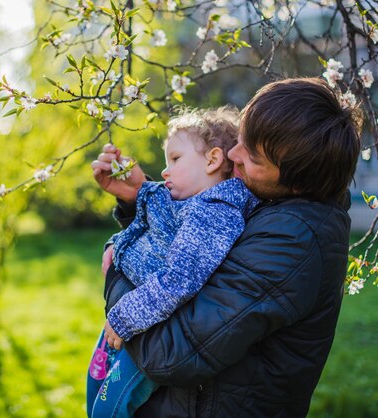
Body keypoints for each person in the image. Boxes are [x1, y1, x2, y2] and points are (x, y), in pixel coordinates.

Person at [91, 77, 362, 417]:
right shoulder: (266, 199)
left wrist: (117, 273)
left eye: (253, 156)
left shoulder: (292, 241)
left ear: (294, 184)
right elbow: (192, 238)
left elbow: (171, 354)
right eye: (242, 138)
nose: (232, 154)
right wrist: (139, 197)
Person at [87, 107, 259, 418]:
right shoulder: (186, 200)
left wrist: (123, 316)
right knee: (95, 389)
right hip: (127, 318)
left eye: (175, 159)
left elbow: (179, 279)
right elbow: (150, 214)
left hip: (142, 326)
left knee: (107, 410)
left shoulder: (215, 212)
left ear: (213, 159)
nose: (165, 171)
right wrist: (117, 241)